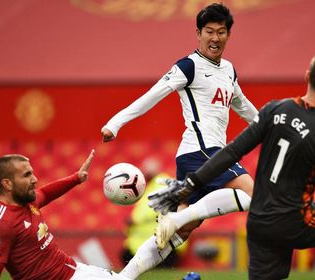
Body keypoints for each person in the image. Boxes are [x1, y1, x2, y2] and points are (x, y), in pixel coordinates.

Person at [149, 53, 315, 280]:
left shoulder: (273, 110)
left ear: (307, 76)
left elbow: (231, 152)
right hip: (294, 221)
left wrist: (189, 184)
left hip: (259, 223)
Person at [102, 3, 258, 279]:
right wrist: (115, 123)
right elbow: (154, 93)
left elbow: (243, 106)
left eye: (221, 32)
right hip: (202, 151)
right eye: (209, 31)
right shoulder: (189, 66)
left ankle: (123, 277)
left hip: (201, 155)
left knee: (179, 234)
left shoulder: (229, 71)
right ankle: (177, 216)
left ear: (228, 35)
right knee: (253, 194)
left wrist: (271, 128)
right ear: (198, 33)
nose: (215, 38)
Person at [0, 150, 128, 280]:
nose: (34, 179)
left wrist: (76, 178)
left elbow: (45, 193)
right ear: (7, 184)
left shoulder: (27, 201)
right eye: (27, 175)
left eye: (32, 173)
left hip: (72, 270)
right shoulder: (1, 224)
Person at [120, 157, 185, 268]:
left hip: (159, 243)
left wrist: (135, 220)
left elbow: (155, 207)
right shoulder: (152, 186)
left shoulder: (161, 183)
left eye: (144, 170)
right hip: (150, 243)